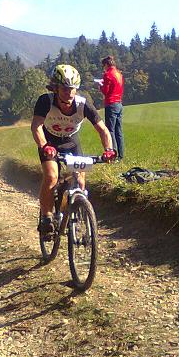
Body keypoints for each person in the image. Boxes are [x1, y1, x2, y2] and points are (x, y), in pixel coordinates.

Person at [31, 64, 116, 237]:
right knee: (51, 177)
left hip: (71, 143)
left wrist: (108, 149)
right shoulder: (45, 101)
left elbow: (103, 130)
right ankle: (47, 217)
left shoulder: (83, 104)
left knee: (80, 181)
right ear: (55, 88)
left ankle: (73, 217)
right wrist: (44, 146)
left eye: (73, 89)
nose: (69, 93)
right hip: (50, 144)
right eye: (64, 89)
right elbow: (36, 126)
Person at [98, 55, 125, 161]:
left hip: (111, 103)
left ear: (106, 65)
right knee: (119, 130)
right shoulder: (119, 74)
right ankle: (121, 154)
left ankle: (112, 153)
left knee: (110, 130)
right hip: (119, 103)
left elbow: (106, 91)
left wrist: (100, 85)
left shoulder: (107, 75)